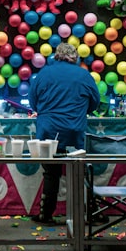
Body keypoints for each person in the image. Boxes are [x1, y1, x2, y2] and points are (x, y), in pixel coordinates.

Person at [28, 41, 101, 224]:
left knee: (51, 173)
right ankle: (89, 212)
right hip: (74, 131)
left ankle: (46, 214)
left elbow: (33, 102)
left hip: (49, 131)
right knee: (79, 172)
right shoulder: (84, 75)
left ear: (56, 55)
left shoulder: (44, 73)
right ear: (75, 57)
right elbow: (95, 103)